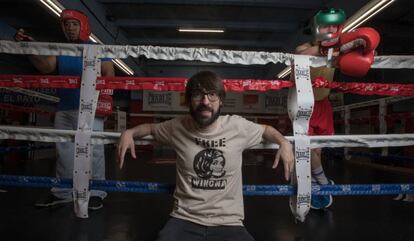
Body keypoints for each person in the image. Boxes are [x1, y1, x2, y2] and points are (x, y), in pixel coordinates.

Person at [117, 71, 294, 241]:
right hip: (184, 218)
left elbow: (266, 130)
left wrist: (284, 142)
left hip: (229, 221)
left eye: (212, 95)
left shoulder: (237, 127)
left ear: (221, 100)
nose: (205, 101)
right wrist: (129, 132)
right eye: (197, 95)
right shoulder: (177, 127)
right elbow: (149, 128)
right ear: (188, 101)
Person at [14, 9, 115, 210]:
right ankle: (62, 192)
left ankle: (96, 193)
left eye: (74, 24)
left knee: (94, 150)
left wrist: (103, 98)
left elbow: (109, 71)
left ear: (83, 26)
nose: (70, 28)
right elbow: (45, 67)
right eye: (67, 24)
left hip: (90, 107)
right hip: (65, 107)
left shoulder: (95, 48)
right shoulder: (61, 49)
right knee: (64, 151)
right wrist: (28, 47)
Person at [293, 8, 346, 210]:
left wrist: (364, 51)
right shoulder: (303, 47)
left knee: (315, 151)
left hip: (323, 105)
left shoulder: (337, 52)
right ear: (317, 28)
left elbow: (354, 61)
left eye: (335, 26)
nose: (330, 29)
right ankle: (323, 184)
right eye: (326, 25)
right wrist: (336, 46)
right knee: (306, 149)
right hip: (303, 104)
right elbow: (304, 54)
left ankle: (315, 185)